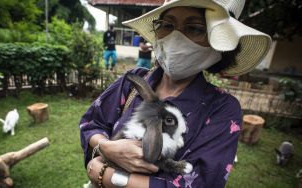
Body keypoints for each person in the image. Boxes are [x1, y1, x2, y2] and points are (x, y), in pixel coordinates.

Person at [79, 0, 271, 187]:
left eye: (194, 28)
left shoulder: (221, 109)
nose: (175, 37)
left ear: (220, 45)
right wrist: (106, 147)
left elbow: (202, 181)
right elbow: (91, 124)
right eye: (167, 25)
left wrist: (105, 175)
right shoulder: (133, 81)